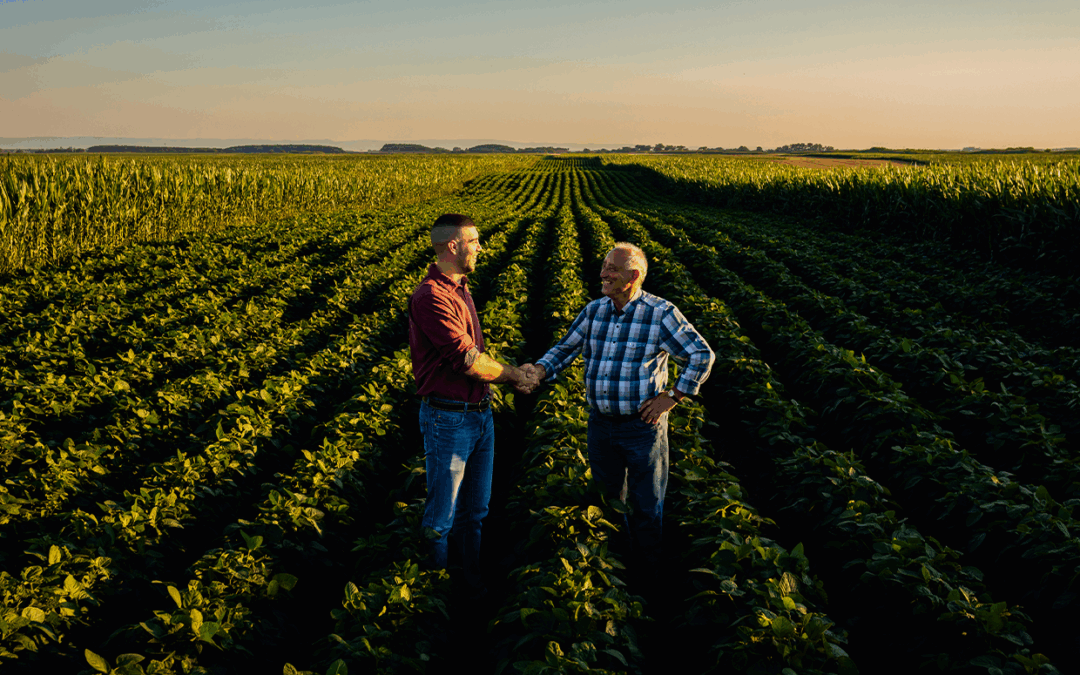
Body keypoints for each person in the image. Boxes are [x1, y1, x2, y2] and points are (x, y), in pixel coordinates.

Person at [523, 242, 714, 574]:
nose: (603, 274)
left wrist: (673, 397)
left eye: (612, 268)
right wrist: (538, 371)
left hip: (642, 427)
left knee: (646, 506)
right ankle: (615, 571)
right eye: (604, 267)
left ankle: (648, 574)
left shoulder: (660, 314)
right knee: (608, 502)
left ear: (634, 275)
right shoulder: (595, 311)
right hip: (601, 425)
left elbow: (701, 354)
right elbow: (566, 348)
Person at [408, 213, 538, 599]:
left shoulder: (460, 288)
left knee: (475, 513)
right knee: (441, 517)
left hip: (478, 414)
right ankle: (435, 596)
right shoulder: (431, 296)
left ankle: (469, 583)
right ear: (453, 246)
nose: (480, 247)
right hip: (449, 420)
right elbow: (466, 360)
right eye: (475, 241)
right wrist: (515, 376)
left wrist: (495, 384)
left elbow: (476, 359)